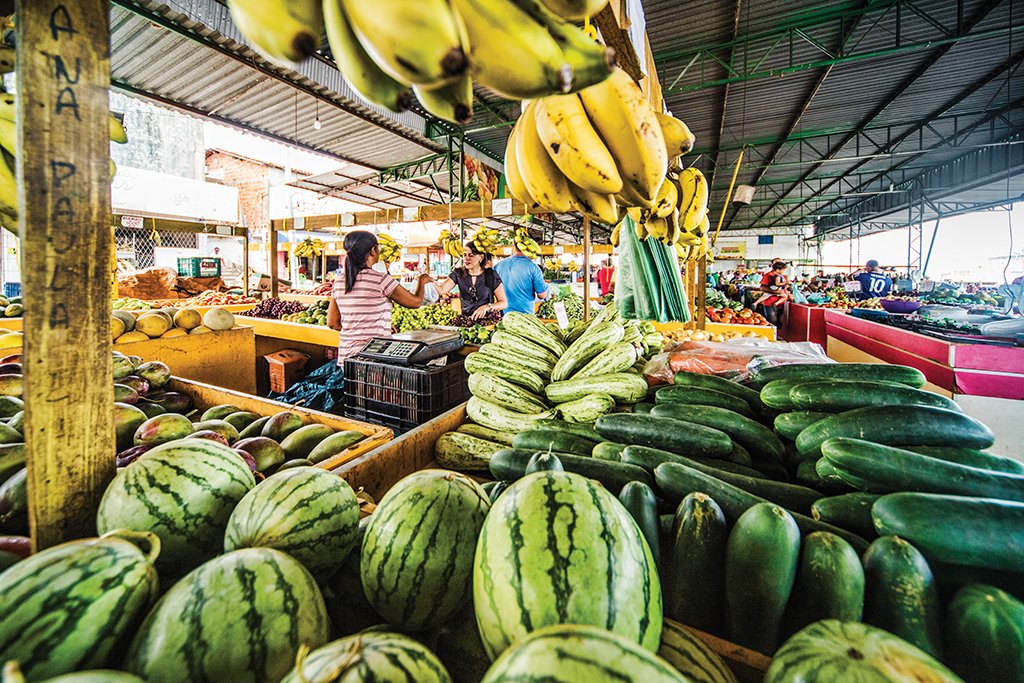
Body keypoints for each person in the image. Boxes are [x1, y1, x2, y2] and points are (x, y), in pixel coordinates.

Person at [326, 231, 431, 362]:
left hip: (348, 359)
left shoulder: (340, 281)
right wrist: (421, 282)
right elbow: (415, 303)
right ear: (372, 250)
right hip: (375, 358)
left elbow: (332, 323)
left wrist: (362, 331)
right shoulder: (381, 279)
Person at [435, 242, 509, 319]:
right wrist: (429, 280)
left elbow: (504, 303)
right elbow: (441, 290)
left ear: (481, 257)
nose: (467, 258)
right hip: (467, 321)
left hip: (487, 322)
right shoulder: (458, 274)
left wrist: (487, 307)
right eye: (464, 255)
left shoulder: (490, 274)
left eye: (471, 255)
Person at [494, 247, 550, 315]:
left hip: (503, 314)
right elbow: (542, 295)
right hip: (525, 315)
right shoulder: (533, 267)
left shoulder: (499, 265)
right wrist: (546, 287)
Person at [753, 261, 791, 325]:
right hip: (769, 303)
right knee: (772, 322)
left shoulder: (780, 275)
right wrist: (775, 292)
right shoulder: (768, 275)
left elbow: (783, 286)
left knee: (779, 323)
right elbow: (762, 287)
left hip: (780, 303)